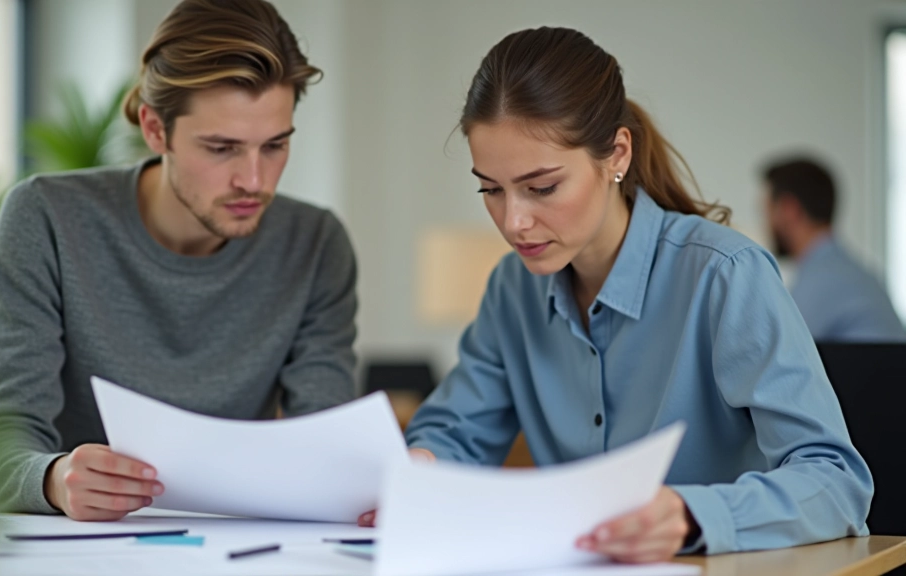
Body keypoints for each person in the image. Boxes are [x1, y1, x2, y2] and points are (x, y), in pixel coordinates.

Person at [361, 27, 873, 562]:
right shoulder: (512, 291)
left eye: (542, 188)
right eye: (491, 189)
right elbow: (454, 432)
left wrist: (689, 516)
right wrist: (422, 465)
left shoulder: (726, 276)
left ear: (617, 155)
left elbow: (838, 483)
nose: (513, 222)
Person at [0, 0, 358, 521]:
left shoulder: (315, 243)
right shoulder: (45, 216)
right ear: (156, 130)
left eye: (275, 146)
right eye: (221, 148)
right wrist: (53, 479)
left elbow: (326, 446)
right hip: (83, 548)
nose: (254, 180)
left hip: (237, 546)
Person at [763, 157, 906, 342]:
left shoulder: (823, 277)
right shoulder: (843, 269)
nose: (766, 223)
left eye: (766, 211)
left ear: (790, 209)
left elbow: (778, 348)